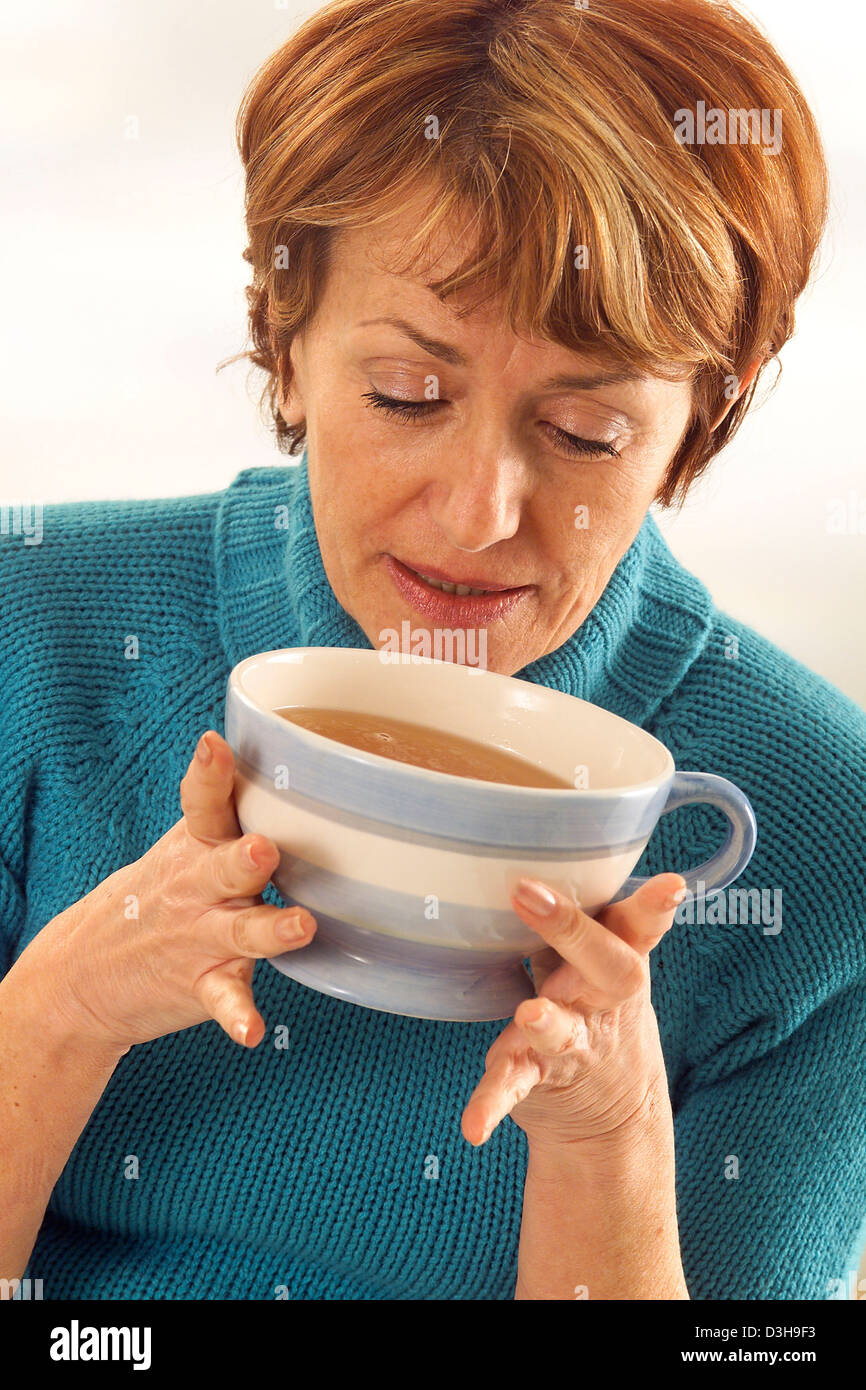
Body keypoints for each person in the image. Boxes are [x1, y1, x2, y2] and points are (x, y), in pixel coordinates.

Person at [1, 0, 864, 1301]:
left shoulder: (827, 836)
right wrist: (61, 1008)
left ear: (698, 429)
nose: (477, 516)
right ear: (285, 342)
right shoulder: (30, 624)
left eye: (583, 432)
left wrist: (610, 1139)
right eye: (407, 394)